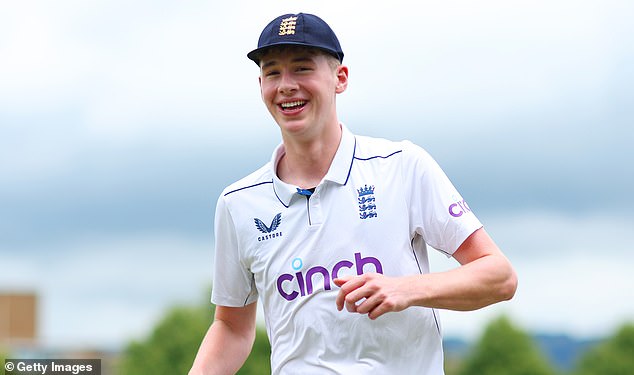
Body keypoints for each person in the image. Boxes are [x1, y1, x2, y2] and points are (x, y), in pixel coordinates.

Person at [189, 13, 517, 375]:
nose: (285, 85)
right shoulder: (238, 204)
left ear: (339, 79)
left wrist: (405, 289)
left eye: (301, 69)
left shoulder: (402, 166)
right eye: (272, 72)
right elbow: (232, 327)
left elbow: (498, 276)